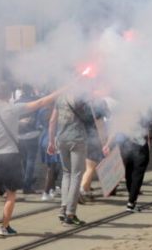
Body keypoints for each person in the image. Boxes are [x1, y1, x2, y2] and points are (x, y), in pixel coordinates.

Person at [0, 81, 66, 236]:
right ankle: (4, 227)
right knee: (11, 192)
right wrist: (62, 89)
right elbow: (41, 102)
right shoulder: (13, 108)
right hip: (11, 154)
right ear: (9, 94)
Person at [47, 89, 103, 226]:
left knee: (67, 173)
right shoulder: (84, 98)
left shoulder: (61, 97)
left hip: (61, 138)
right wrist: (103, 141)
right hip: (78, 139)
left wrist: (50, 141)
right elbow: (96, 121)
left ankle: (63, 208)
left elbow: (52, 120)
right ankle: (70, 214)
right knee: (76, 175)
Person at [78, 96, 108, 202]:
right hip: (92, 138)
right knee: (90, 167)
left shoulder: (78, 102)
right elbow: (100, 125)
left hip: (78, 137)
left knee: (85, 167)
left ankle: (85, 191)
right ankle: (80, 191)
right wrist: (104, 142)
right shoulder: (95, 104)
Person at [15, 84, 42, 194]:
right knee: (30, 160)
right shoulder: (35, 100)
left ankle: (26, 180)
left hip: (20, 134)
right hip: (32, 133)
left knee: (24, 159)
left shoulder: (16, 103)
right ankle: (27, 184)